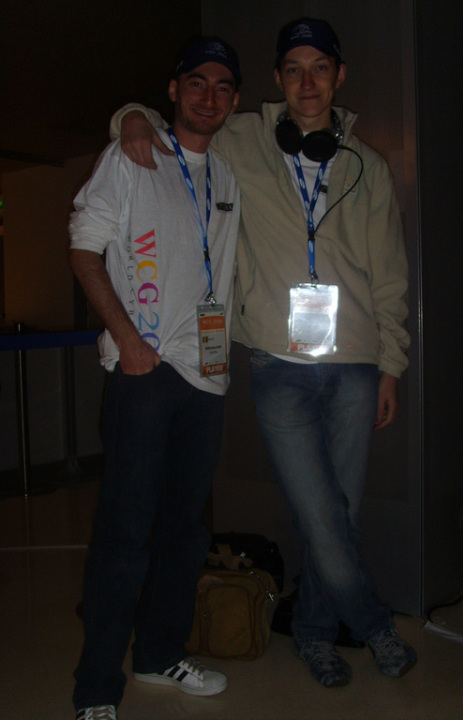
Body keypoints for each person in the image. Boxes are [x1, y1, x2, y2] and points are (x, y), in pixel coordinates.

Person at [111, 17, 417, 688]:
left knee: (336, 515)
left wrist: (391, 365)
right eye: (294, 70)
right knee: (322, 514)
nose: (308, 82)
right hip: (280, 367)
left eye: (320, 68)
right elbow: (183, 122)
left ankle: (313, 634)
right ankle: (374, 625)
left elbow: (390, 277)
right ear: (279, 80)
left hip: (355, 364)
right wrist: (130, 116)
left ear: (339, 77)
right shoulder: (244, 140)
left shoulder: (368, 166)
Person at [69, 37, 241, 720]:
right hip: (144, 371)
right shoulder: (132, 154)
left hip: (207, 376)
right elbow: (84, 250)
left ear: (233, 100)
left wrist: (131, 111)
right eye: (196, 82)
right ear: (173, 90)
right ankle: (95, 688)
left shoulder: (227, 175)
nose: (209, 95)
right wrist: (128, 341)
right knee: (125, 535)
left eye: (222, 86)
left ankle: (159, 653)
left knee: (184, 533)